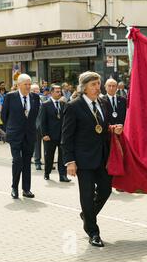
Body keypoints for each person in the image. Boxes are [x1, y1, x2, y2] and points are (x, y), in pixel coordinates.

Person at [62, 71, 123, 247]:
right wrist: (70, 161)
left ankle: (87, 215)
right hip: (83, 159)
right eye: (93, 85)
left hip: (103, 157)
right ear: (84, 88)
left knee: (105, 190)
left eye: (98, 84)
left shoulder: (103, 103)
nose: (97, 88)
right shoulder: (73, 106)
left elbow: (101, 128)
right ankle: (93, 232)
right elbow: (67, 136)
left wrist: (113, 129)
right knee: (87, 196)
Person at [1, 74, 41, 199]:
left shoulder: (35, 97)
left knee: (27, 163)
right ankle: (14, 187)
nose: (29, 86)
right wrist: (12, 128)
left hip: (29, 135)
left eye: (30, 84)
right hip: (15, 135)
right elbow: (4, 115)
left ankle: (26, 189)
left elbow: (35, 115)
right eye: (26, 84)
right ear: (19, 85)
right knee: (17, 161)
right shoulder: (10, 97)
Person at [39, 84, 70, 182]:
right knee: (49, 156)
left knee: (63, 156)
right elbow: (42, 121)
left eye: (60, 91)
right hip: (50, 136)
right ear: (51, 92)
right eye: (57, 91)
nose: (59, 93)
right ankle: (47, 173)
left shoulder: (63, 104)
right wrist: (44, 134)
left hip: (62, 135)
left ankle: (63, 175)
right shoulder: (45, 104)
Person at [31, 83, 44, 170]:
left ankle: (48, 162)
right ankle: (37, 161)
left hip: (45, 125)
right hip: (35, 125)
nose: (37, 91)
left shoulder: (43, 98)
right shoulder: (30, 100)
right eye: (35, 90)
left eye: (38, 90)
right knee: (37, 144)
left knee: (47, 145)